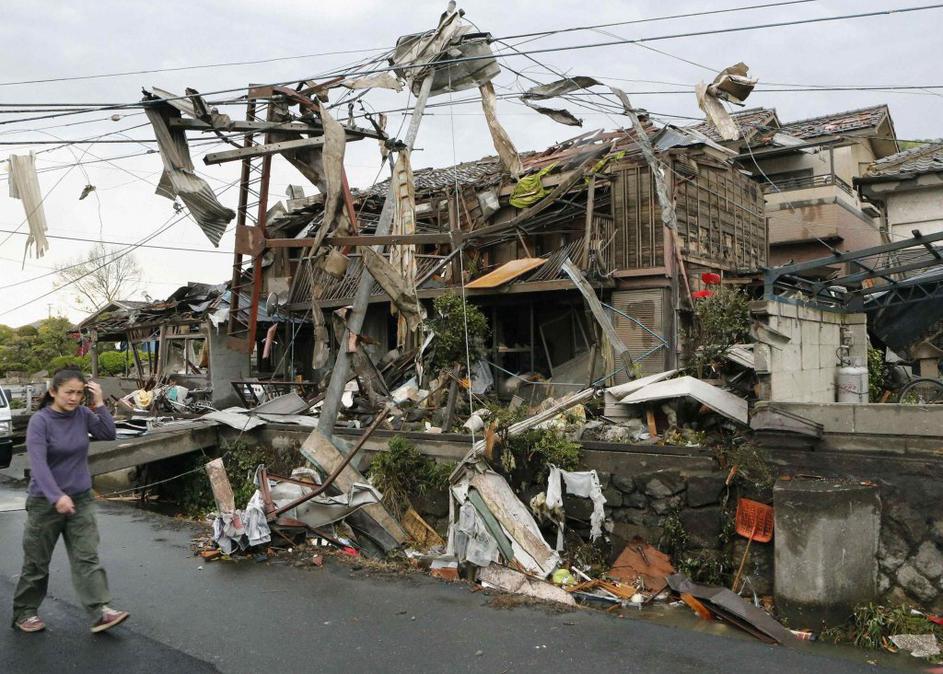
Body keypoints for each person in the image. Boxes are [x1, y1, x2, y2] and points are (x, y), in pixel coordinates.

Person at [11, 368, 129, 634]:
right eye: (69, 392)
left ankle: (100, 611)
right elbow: (38, 465)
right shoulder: (40, 421)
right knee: (37, 562)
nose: (74, 398)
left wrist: (99, 403)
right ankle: (25, 611)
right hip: (45, 502)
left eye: (79, 392)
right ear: (53, 391)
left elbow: (108, 434)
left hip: (81, 498)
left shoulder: (83, 414)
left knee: (87, 556)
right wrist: (57, 496)